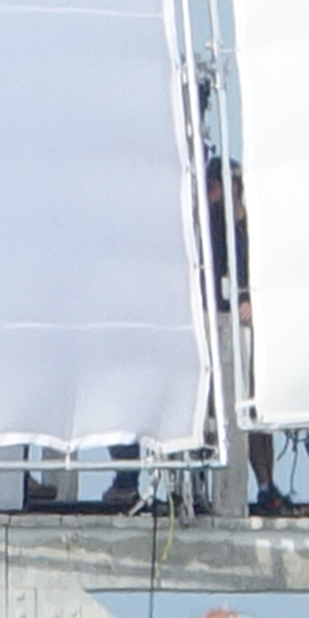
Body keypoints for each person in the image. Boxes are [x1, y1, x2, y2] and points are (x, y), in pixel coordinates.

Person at [102, 159, 291, 514]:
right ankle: (178, 485)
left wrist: (252, 301)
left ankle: (263, 485)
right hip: (203, 329)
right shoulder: (204, 224)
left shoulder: (249, 224)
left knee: (254, 411)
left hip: (238, 331)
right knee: (195, 410)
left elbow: (265, 270)